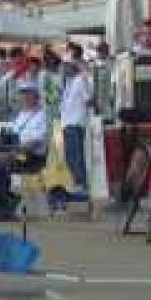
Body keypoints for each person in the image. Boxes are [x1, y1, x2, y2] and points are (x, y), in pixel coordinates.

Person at [0, 81, 49, 221]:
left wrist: (13, 151)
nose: (25, 96)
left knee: (0, 164)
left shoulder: (42, 116)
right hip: (16, 153)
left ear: (36, 95)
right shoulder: (21, 115)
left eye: (28, 93)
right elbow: (11, 138)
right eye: (23, 93)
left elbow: (37, 142)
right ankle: (0, 200)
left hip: (31, 156)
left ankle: (5, 203)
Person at [59, 43, 92, 196]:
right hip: (67, 123)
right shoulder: (68, 83)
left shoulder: (80, 80)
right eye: (63, 66)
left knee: (76, 155)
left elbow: (88, 100)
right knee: (69, 156)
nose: (63, 69)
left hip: (76, 122)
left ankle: (81, 184)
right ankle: (76, 183)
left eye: (65, 66)